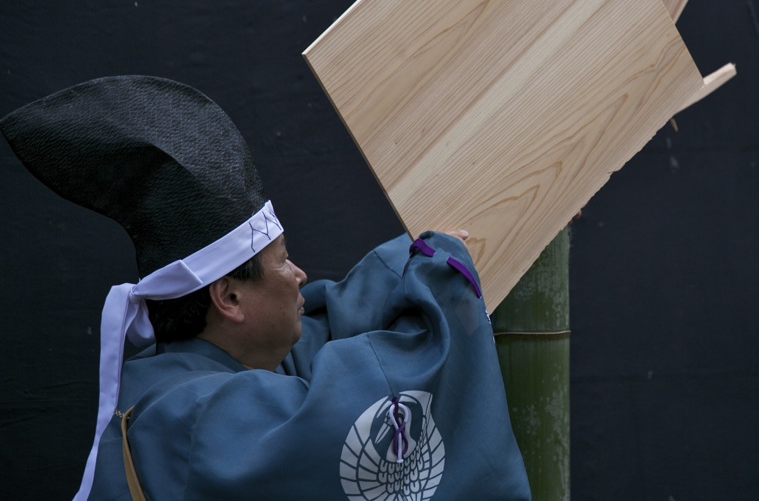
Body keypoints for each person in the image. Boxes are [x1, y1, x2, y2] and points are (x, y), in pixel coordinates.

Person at [1, 75, 530, 500]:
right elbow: (344, 404)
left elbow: (323, 325)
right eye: (282, 262)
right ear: (228, 298)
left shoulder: (194, 374)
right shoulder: (198, 415)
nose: (301, 276)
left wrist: (443, 248)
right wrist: (445, 279)